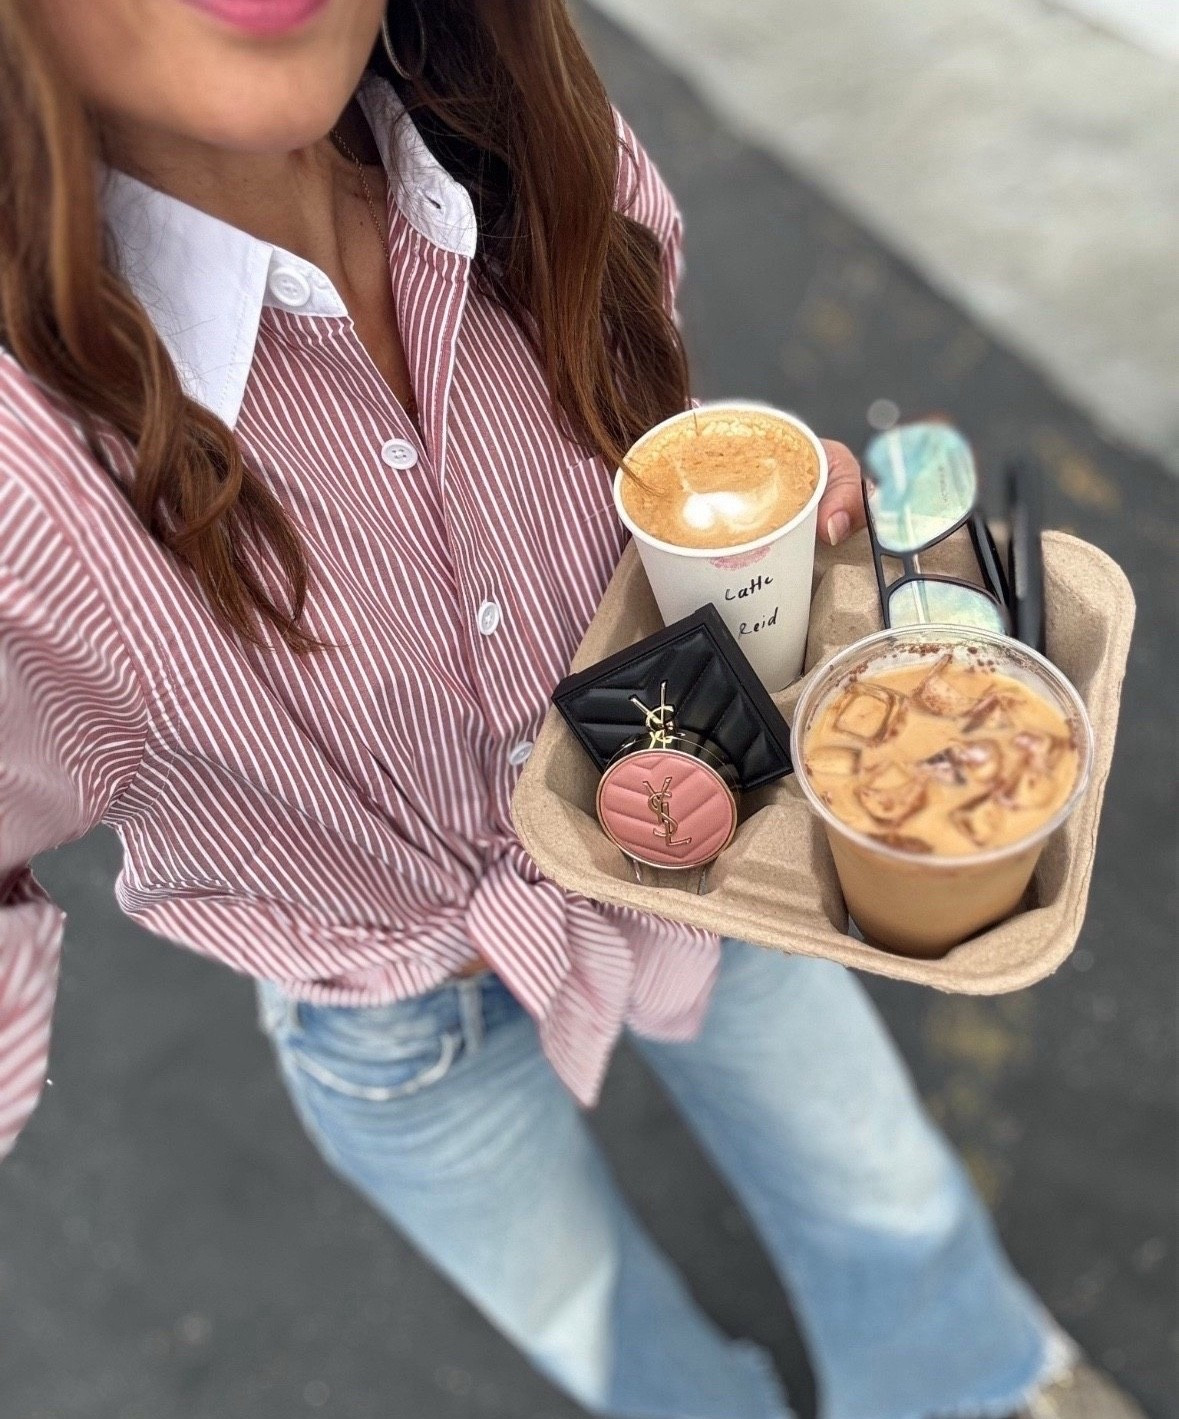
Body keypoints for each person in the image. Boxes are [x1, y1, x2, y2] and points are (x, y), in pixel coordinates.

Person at [0, 2, 1141, 1416]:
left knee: (879, 1186)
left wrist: (772, 568)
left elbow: (652, 466)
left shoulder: (542, 143)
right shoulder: (21, 494)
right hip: (395, 1018)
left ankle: (974, 1383)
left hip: (717, 848)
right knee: (594, 1324)